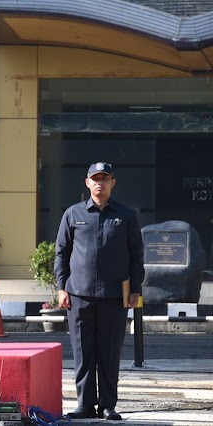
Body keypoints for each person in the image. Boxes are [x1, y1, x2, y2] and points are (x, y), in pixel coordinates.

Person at [54, 162, 145, 420]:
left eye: (105, 178)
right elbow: (62, 252)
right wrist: (62, 287)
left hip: (114, 296)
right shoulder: (73, 214)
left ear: (113, 182)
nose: (100, 183)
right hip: (79, 295)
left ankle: (107, 405)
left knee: (109, 352)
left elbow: (136, 255)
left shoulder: (126, 215)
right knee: (83, 352)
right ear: (87, 183)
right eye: (95, 178)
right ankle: (84, 404)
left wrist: (135, 289)